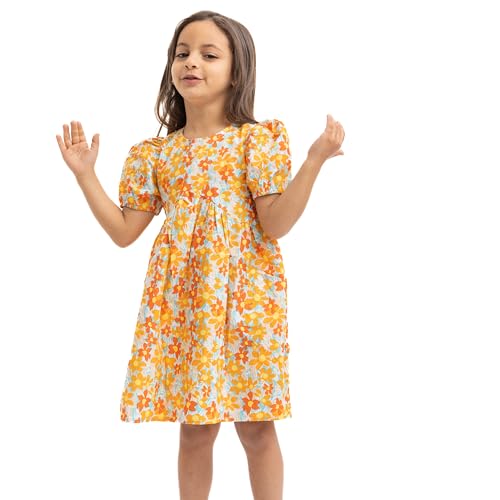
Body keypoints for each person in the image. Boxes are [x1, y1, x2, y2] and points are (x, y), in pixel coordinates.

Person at [56, 9, 345, 500]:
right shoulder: (155, 154)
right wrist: (85, 175)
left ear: (237, 71)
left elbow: (275, 224)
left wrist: (313, 161)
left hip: (247, 304)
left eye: (209, 55)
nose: (191, 62)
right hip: (187, 308)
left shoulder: (256, 141)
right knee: (195, 428)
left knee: (257, 426)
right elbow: (125, 232)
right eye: (182, 53)